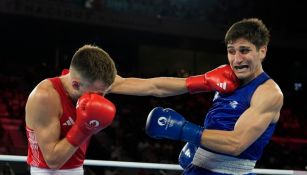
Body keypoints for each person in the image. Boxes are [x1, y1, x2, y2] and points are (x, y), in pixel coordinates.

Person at [111, 18, 283, 174]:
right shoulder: (225, 76)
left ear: (262, 51)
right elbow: (160, 86)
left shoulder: (268, 92)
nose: (237, 59)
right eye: (231, 51)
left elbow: (235, 144)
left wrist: (182, 129)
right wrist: (117, 84)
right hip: (198, 169)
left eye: (244, 50)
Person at [25, 44, 117, 175]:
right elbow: (53, 161)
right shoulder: (46, 96)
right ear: (75, 84)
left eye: (104, 93)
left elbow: (149, 86)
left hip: (78, 169)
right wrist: (84, 128)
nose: (100, 98)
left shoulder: (89, 82)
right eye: (97, 93)